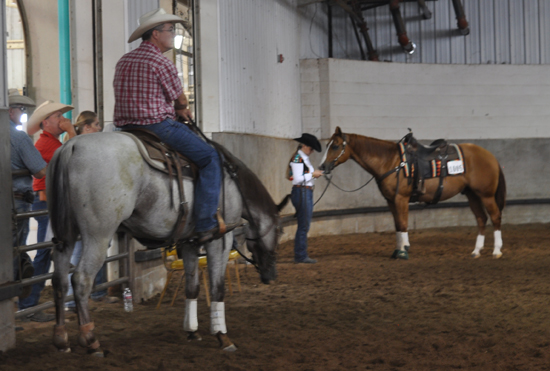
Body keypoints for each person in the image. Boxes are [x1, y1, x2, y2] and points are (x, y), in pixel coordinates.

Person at [113, 8, 221, 243]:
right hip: (156, 126)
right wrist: (182, 108)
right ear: (155, 34)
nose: (173, 34)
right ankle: (205, 223)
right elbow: (179, 98)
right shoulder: (160, 63)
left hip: (125, 129)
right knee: (210, 158)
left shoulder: (123, 60)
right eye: (170, 30)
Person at [18, 100, 76, 320]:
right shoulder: (48, 145)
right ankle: (28, 304)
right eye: (57, 116)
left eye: (62, 115)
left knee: (46, 250)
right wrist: (71, 130)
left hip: (48, 203)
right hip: (47, 204)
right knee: (44, 251)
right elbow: (76, 155)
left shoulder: (50, 143)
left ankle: (30, 302)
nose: (62, 119)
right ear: (46, 122)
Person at [64, 111, 118, 311]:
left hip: (94, 205)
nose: (98, 128)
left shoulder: (83, 148)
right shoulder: (78, 149)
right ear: (86, 127)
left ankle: (96, 292)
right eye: (96, 124)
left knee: (99, 245)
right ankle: (72, 299)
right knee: (81, 249)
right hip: (84, 206)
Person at [8, 91, 47, 301]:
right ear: (10, 112)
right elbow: (40, 170)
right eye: (21, 110)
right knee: (15, 248)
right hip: (16, 201)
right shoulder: (19, 137)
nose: (22, 114)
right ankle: (11, 303)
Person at [288, 133, 324, 264]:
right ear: (305, 146)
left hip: (304, 191)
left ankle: (301, 254)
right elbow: (297, 178)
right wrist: (313, 174)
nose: (312, 151)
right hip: (302, 191)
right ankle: (300, 255)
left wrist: (314, 175)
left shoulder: (302, 158)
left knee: (304, 225)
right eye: (311, 148)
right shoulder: (298, 158)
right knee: (303, 225)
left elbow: (303, 176)